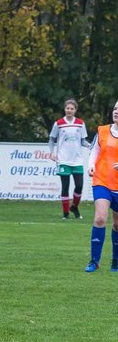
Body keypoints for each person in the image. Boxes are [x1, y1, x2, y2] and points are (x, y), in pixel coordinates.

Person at [85, 100, 118, 272]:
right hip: (102, 180)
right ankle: (94, 261)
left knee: (117, 225)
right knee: (99, 219)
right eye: (115, 108)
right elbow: (94, 151)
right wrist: (91, 164)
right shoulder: (103, 130)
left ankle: (116, 261)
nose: (116, 112)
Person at [48, 98, 89, 220]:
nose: (69, 110)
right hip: (63, 160)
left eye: (72, 108)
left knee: (79, 185)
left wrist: (90, 145)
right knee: (65, 186)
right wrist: (51, 153)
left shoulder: (80, 123)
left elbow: (82, 141)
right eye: (67, 108)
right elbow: (51, 139)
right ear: (64, 109)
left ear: (75, 110)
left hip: (77, 160)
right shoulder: (59, 123)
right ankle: (65, 213)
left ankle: (74, 207)